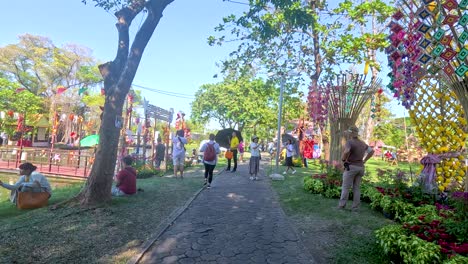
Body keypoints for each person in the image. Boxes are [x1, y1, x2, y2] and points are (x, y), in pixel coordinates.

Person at [338, 126, 374, 211]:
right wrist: (364, 160)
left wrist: (343, 159)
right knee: (356, 188)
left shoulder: (349, 142)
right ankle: (355, 208)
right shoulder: (362, 143)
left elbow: (347, 151)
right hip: (360, 167)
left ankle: (342, 206)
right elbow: (371, 151)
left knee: (346, 187)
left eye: (349, 132)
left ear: (351, 133)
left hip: (351, 167)